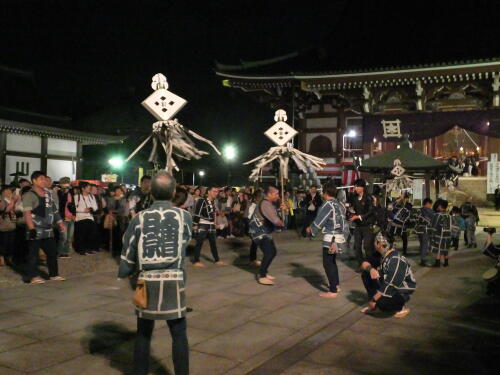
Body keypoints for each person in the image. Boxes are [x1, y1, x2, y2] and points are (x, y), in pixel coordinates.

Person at [118, 171, 191, 375]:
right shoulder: (184, 217)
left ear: (150, 190)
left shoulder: (139, 218)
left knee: (143, 333)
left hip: (146, 280)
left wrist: (124, 270)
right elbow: (184, 242)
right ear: (174, 191)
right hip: (173, 280)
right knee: (178, 332)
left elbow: (128, 248)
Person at [22, 171, 66, 284]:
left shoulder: (48, 194)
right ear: (34, 181)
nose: (44, 181)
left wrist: (60, 222)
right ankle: (33, 276)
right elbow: (27, 213)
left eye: (45, 179)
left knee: (52, 252)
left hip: (48, 229)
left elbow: (54, 210)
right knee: (33, 254)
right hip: (35, 229)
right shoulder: (29, 195)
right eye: (41, 179)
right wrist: (31, 228)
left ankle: (54, 274)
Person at [307, 180, 348, 298]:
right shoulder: (339, 204)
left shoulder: (327, 204)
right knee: (332, 262)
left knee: (328, 263)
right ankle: (336, 285)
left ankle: (333, 290)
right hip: (339, 236)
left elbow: (320, 220)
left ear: (325, 193)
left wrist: (312, 229)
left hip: (331, 237)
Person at [360, 232, 416, 317]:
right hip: (390, 286)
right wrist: (371, 269)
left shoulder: (395, 259)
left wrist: (374, 300)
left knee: (382, 302)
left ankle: (401, 307)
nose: (374, 244)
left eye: (376, 242)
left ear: (380, 244)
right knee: (366, 274)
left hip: (401, 290)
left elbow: (391, 284)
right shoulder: (381, 254)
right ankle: (377, 307)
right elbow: (363, 263)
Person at [248, 185, 285, 285]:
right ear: (269, 194)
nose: (278, 196)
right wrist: (282, 223)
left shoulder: (268, 203)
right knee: (269, 252)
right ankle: (262, 276)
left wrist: (280, 210)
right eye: (276, 194)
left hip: (263, 232)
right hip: (258, 232)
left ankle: (263, 272)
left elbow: (272, 214)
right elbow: (275, 220)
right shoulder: (265, 204)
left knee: (272, 252)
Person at [192, 186, 226, 267]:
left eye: (217, 192)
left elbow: (214, 213)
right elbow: (197, 213)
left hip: (211, 224)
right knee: (199, 242)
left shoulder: (214, 201)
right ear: (208, 192)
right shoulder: (201, 200)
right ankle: (196, 260)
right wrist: (195, 224)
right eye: (214, 191)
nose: (216, 193)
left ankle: (217, 260)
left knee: (213, 243)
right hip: (202, 223)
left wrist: (215, 223)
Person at [348, 179, 375, 267]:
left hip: (367, 226)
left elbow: (371, 211)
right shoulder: (354, 198)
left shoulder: (368, 197)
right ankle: (361, 265)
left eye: (357, 186)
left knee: (367, 247)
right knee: (357, 247)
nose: (355, 188)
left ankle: (370, 266)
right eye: (355, 186)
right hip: (358, 226)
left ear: (362, 187)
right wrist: (350, 213)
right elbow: (352, 209)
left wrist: (358, 217)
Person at [74, 181, 99, 255]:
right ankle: (81, 249)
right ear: (83, 188)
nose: (89, 189)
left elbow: (95, 207)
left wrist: (90, 209)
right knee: (81, 234)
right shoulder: (76, 197)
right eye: (88, 187)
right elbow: (74, 208)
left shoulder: (91, 196)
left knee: (91, 233)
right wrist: (83, 210)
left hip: (90, 217)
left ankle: (88, 248)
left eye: (90, 187)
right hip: (80, 218)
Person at [56, 177, 76, 258]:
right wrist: (64, 190)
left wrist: (74, 215)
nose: (66, 188)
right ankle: (59, 252)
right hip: (63, 218)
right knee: (63, 237)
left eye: (67, 185)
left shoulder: (71, 193)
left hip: (71, 218)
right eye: (64, 185)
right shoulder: (59, 192)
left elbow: (73, 205)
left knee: (69, 237)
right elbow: (61, 203)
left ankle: (66, 252)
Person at [430, 199, 453, 267]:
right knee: (446, 249)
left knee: (438, 249)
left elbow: (433, 225)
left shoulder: (438, 215)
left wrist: (431, 233)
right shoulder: (449, 215)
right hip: (448, 235)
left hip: (439, 235)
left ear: (440, 206)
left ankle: (437, 263)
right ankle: (446, 262)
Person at [0, 186, 18, 266]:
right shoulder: (2, 200)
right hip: (3, 225)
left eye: (10, 191)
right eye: (7, 191)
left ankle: (9, 259)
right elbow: (4, 210)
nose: (9, 192)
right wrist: (13, 201)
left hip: (12, 224)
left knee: (11, 243)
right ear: (3, 192)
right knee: (3, 243)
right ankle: (2, 259)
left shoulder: (10, 200)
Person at [414, 198, 434, 267]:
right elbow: (433, 219)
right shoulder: (430, 211)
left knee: (422, 244)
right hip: (426, 229)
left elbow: (416, 219)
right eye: (430, 204)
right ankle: (423, 260)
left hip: (419, 230)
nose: (431, 205)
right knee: (424, 245)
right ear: (428, 203)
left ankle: (422, 258)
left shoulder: (419, 210)